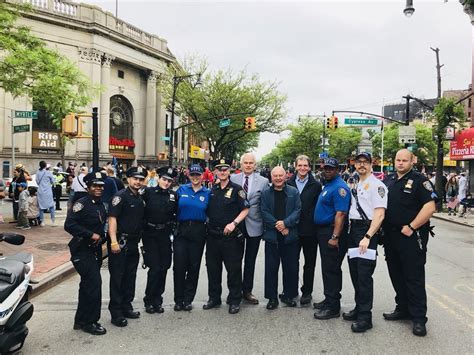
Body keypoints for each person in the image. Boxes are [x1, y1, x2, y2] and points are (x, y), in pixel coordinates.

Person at [382, 149, 437, 337]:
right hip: (390, 236)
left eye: (404, 160)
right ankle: (403, 308)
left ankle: (419, 318)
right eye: (398, 159)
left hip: (411, 236)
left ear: (412, 161)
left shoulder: (421, 181)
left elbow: (430, 207)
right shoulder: (388, 180)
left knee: (413, 277)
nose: (400, 163)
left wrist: (412, 226)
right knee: (396, 274)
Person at [344, 152, 387, 332]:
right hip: (353, 230)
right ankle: (358, 307)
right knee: (355, 272)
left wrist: (368, 237)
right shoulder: (357, 183)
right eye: (359, 162)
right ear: (354, 165)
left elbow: (380, 214)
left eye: (365, 162)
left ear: (371, 164)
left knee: (364, 276)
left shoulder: (378, 186)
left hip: (366, 231)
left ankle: (365, 317)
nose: (362, 165)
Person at [64, 171, 108, 336]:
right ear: (88, 187)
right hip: (81, 249)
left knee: (86, 285)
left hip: (94, 250)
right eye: (95, 186)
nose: (98, 188)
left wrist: (102, 237)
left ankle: (80, 320)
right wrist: (91, 234)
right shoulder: (81, 203)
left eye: (101, 186)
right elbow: (69, 225)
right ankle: (91, 322)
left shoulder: (100, 205)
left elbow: (100, 226)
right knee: (94, 284)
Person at [204, 159, 249, 314]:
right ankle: (214, 298)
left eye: (225, 170)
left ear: (229, 171)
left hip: (231, 237)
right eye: (219, 170)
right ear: (215, 171)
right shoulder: (212, 189)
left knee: (233, 269)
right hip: (213, 236)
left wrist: (234, 223)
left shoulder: (237, 189)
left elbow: (246, 209)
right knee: (213, 269)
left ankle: (235, 299)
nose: (222, 172)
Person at [107, 166, 147, 327]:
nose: (138, 182)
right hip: (120, 243)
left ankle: (126, 306)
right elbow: (112, 219)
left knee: (130, 277)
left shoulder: (139, 198)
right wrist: (113, 241)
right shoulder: (120, 196)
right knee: (118, 278)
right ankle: (116, 313)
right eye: (135, 179)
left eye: (140, 179)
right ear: (128, 179)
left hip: (133, 243)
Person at [313, 157, 350, 320]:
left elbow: (341, 214)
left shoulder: (340, 187)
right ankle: (329, 299)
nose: (327, 171)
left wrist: (335, 236)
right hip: (323, 232)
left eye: (331, 168)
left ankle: (333, 307)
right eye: (325, 168)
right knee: (327, 269)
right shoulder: (329, 185)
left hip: (331, 233)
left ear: (337, 170)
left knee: (332, 269)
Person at [230, 152, 269, 305]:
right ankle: (235, 291)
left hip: (255, 225)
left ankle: (247, 291)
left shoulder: (264, 181)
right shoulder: (233, 179)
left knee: (250, 260)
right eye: (245, 163)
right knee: (235, 260)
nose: (248, 165)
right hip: (237, 225)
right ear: (241, 165)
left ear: (255, 165)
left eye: (251, 163)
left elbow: (265, 204)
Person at [260, 166, 301, 310]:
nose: (278, 178)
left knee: (290, 268)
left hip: (289, 235)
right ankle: (272, 298)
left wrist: (286, 223)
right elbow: (263, 211)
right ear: (271, 178)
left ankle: (288, 295)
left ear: (285, 177)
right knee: (271, 269)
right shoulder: (265, 193)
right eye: (275, 176)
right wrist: (278, 225)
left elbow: (297, 211)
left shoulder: (293, 192)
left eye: (280, 175)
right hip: (272, 236)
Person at [173, 164, 210, 311]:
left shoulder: (208, 193)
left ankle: (188, 299)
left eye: (198, 175)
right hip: (181, 231)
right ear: (188, 175)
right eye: (193, 175)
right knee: (179, 266)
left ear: (203, 176)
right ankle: (178, 299)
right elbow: (172, 209)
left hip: (198, 230)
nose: (195, 177)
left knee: (194, 267)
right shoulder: (181, 190)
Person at [142, 166, 178, 314]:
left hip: (165, 234)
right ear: (158, 178)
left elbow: (175, 214)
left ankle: (158, 300)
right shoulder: (147, 193)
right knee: (155, 268)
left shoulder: (173, 196)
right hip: (150, 234)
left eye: (169, 181)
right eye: (164, 179)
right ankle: (149, 300)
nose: (166, 183)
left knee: (164, 267)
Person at [287, 155, 322, 305]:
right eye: (299, 165)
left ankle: (307, 291)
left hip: (310, 231)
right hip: (292, 230)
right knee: (291, 262)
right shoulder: (288, 183)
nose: (302, 168)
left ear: (309, 167)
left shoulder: (316, 185)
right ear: (295, 166)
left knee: (309, 263)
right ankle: (291, 290)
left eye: (305, 165)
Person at [36, 161, 56, 226]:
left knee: (41, 207)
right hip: (48, 191)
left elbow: (37, 182)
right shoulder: (48, 173)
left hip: (40, 191)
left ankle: (42, 222)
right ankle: (53, 221)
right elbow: (53, 182)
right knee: (51, 206)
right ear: (45, 166)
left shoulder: (38, 172)